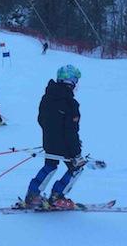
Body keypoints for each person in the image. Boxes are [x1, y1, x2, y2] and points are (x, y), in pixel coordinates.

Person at [23, 65, 83, 209]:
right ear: (70, 81)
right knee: (76, 168)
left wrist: (51, 133)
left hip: (49, 142)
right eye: (75, 80)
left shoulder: (47, 96)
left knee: (50, 165)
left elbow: (41, 119)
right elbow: (71, 130)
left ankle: (33, 194)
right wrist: (76, 153)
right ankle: (57, 196)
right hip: (65, 145)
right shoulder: (70, 103)